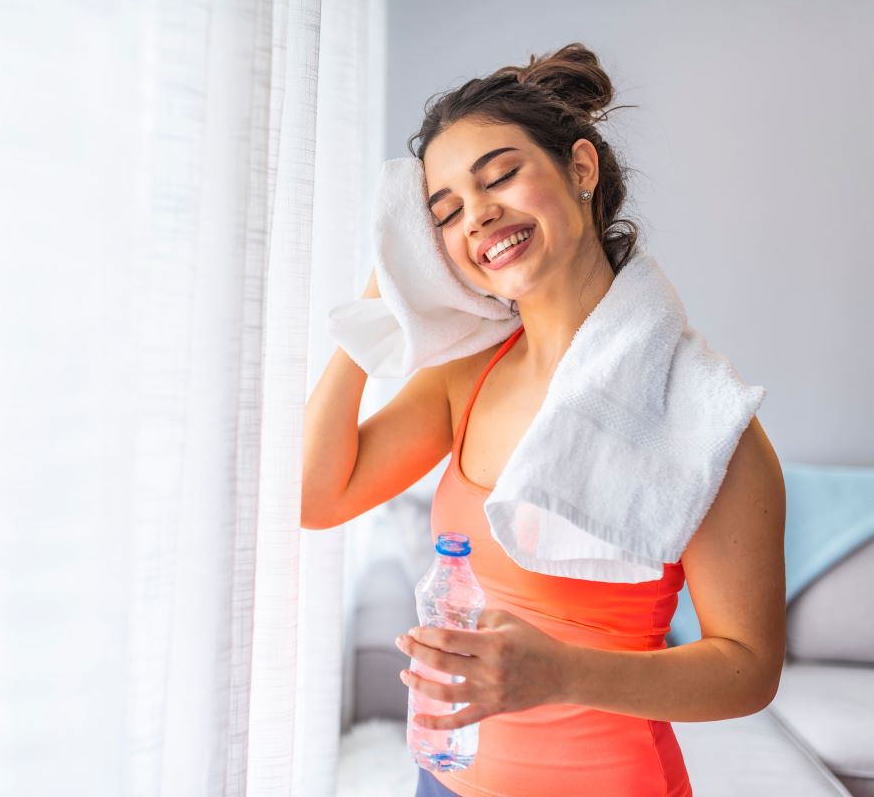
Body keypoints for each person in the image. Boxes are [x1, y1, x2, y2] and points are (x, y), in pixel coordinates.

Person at [301, 42, 786, 796]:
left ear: (581, 170)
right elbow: (314, 496)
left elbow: (748, 671)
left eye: (500, 175)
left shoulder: (703, 416)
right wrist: (381, 299)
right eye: (445, 213)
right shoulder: (465, 376)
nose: (479, 214)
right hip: (446, 780)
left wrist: (558, 672)